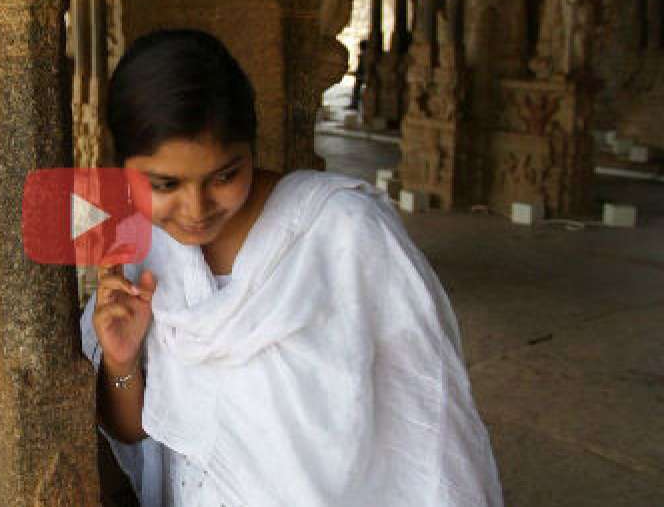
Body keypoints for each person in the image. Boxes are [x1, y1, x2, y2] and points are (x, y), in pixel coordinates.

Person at [80, 29, 502, 506]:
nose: (195, 209)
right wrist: (121, 359)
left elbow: (428, 421)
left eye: (224, 175)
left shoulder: (344, 233)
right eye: (165, 184)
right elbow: (136, 430)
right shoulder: (142, 250)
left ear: (252, 149)